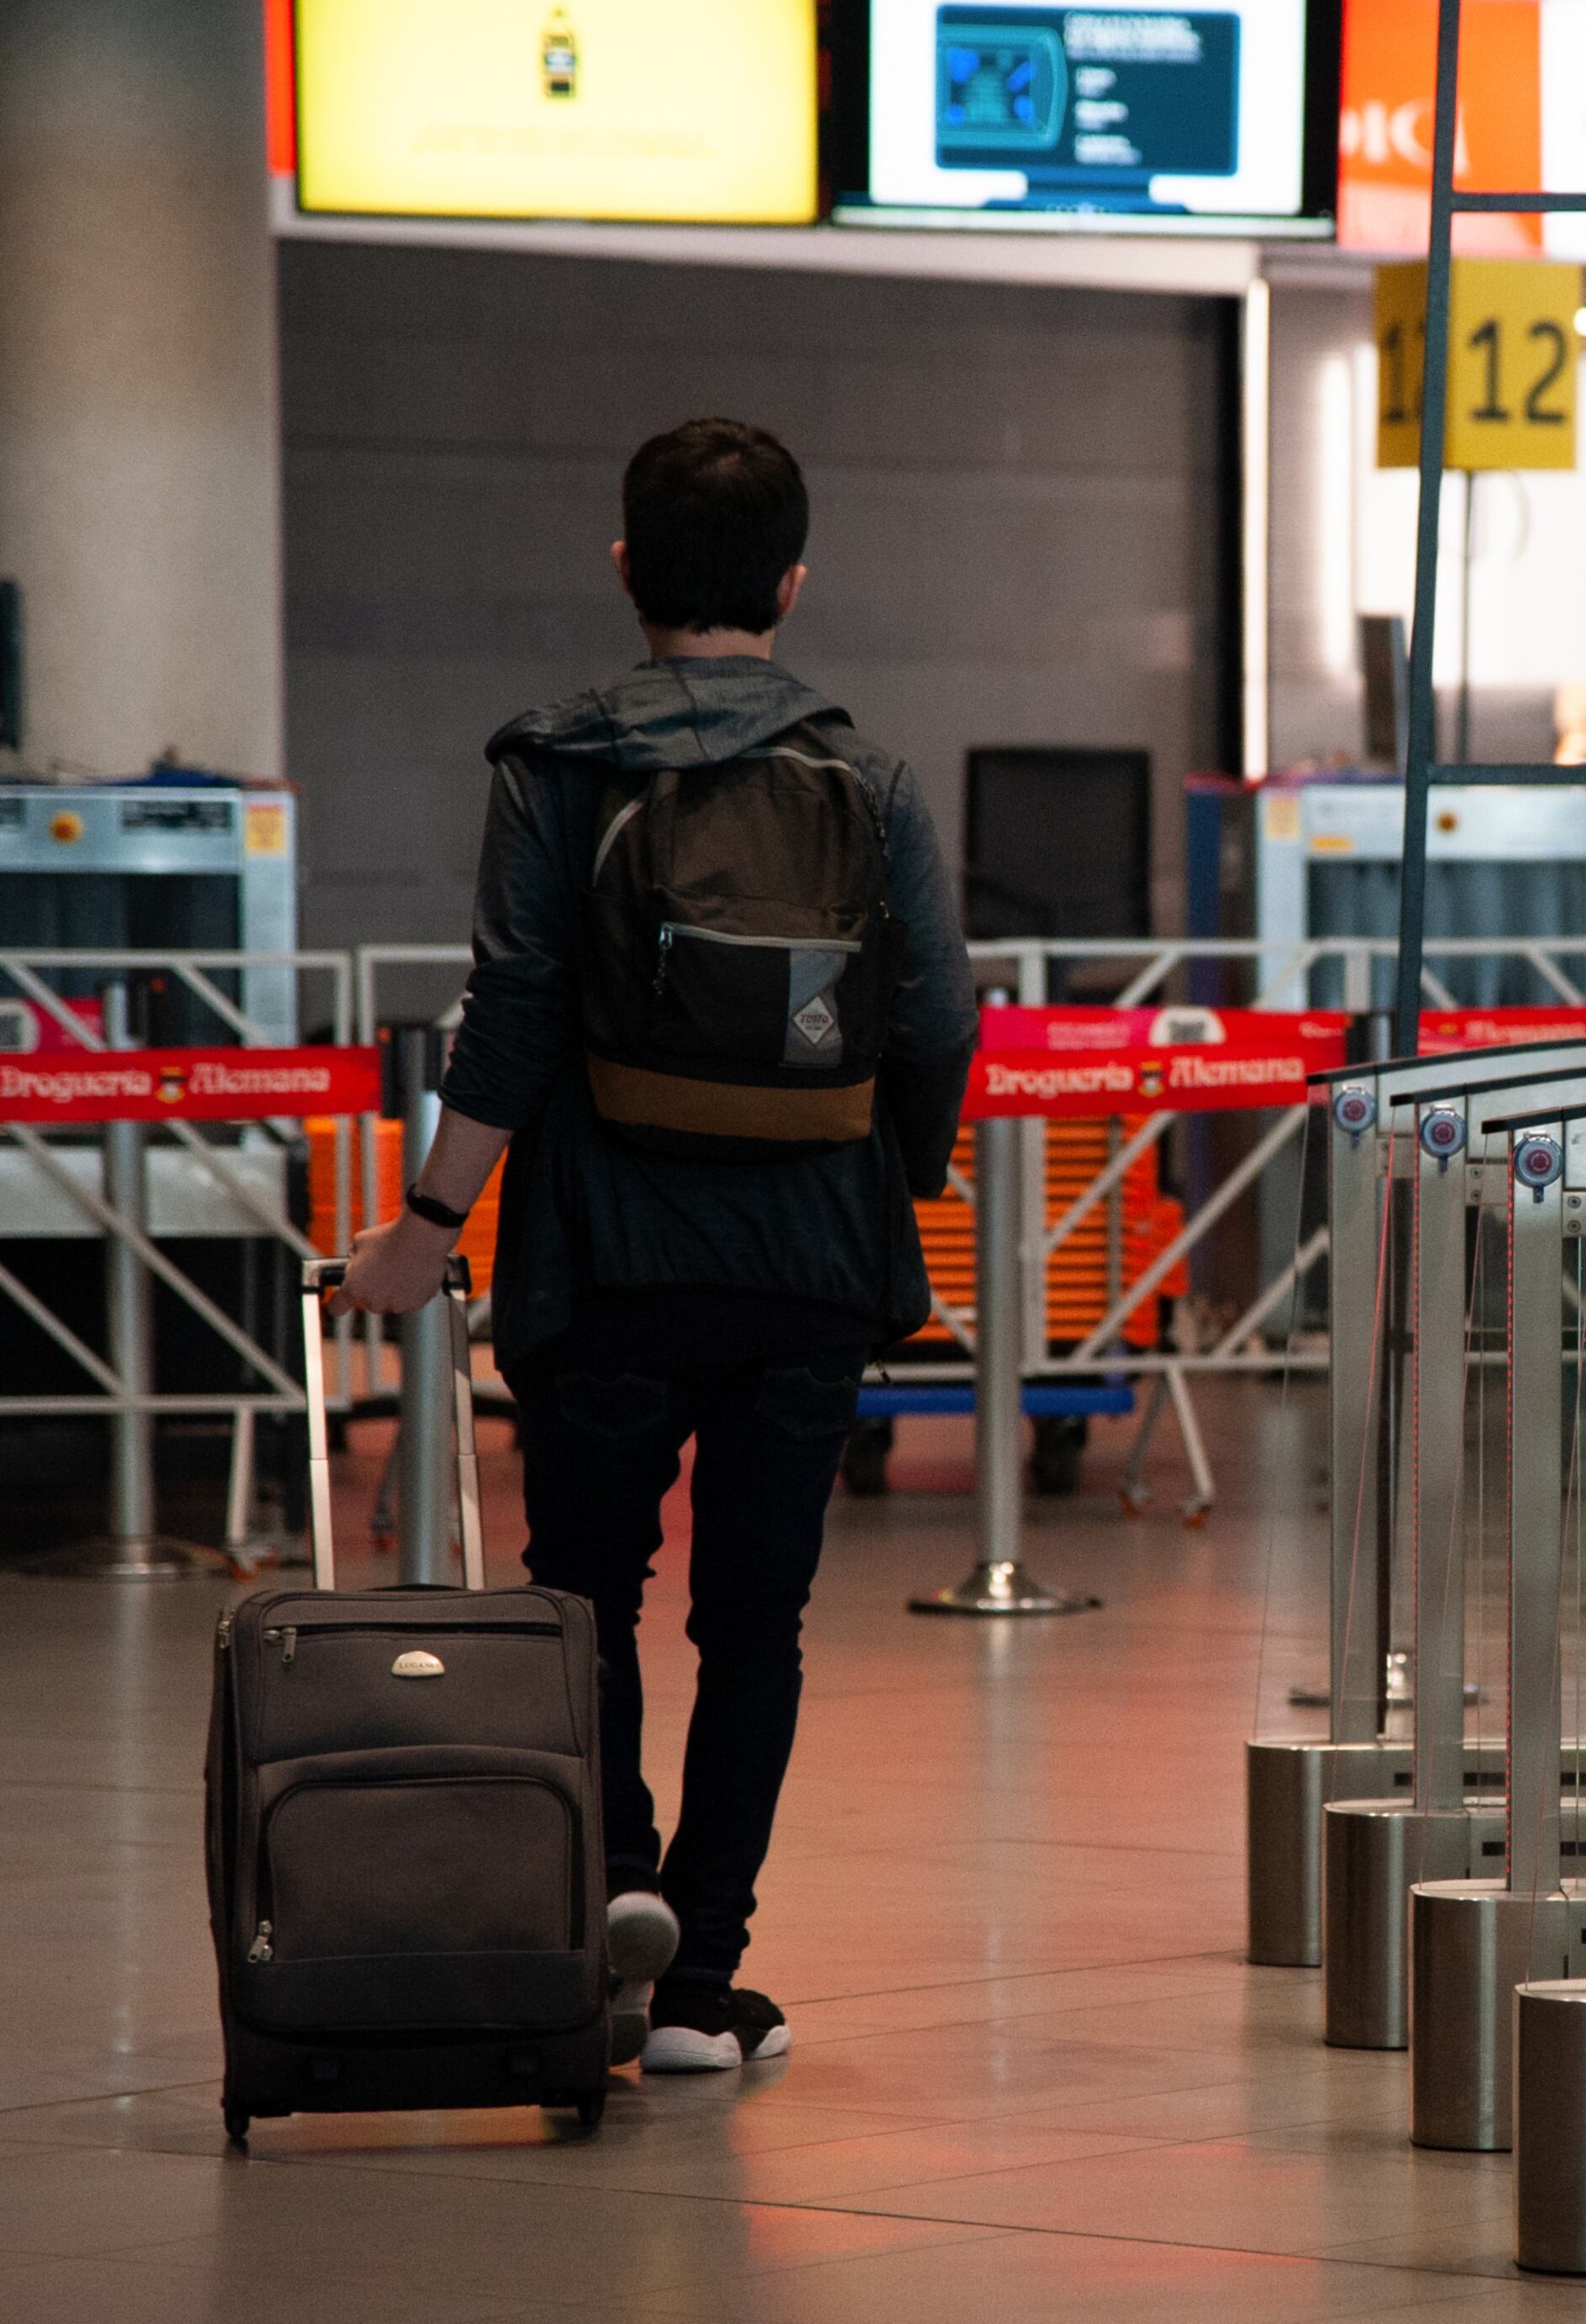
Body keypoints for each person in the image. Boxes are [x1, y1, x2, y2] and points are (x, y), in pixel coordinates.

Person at [342, 419, 977, 2073]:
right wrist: (892, 1168)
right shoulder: (872, 778)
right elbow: (938, 1014)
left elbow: (513, 1017)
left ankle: (617, 1891)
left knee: (587, 1595)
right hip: (808, 1265)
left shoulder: (553, 765)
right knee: (752, 1620)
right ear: (791, 579)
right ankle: (704, 1982)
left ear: (624, 568)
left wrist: (427, 1221)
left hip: (603, 1253)